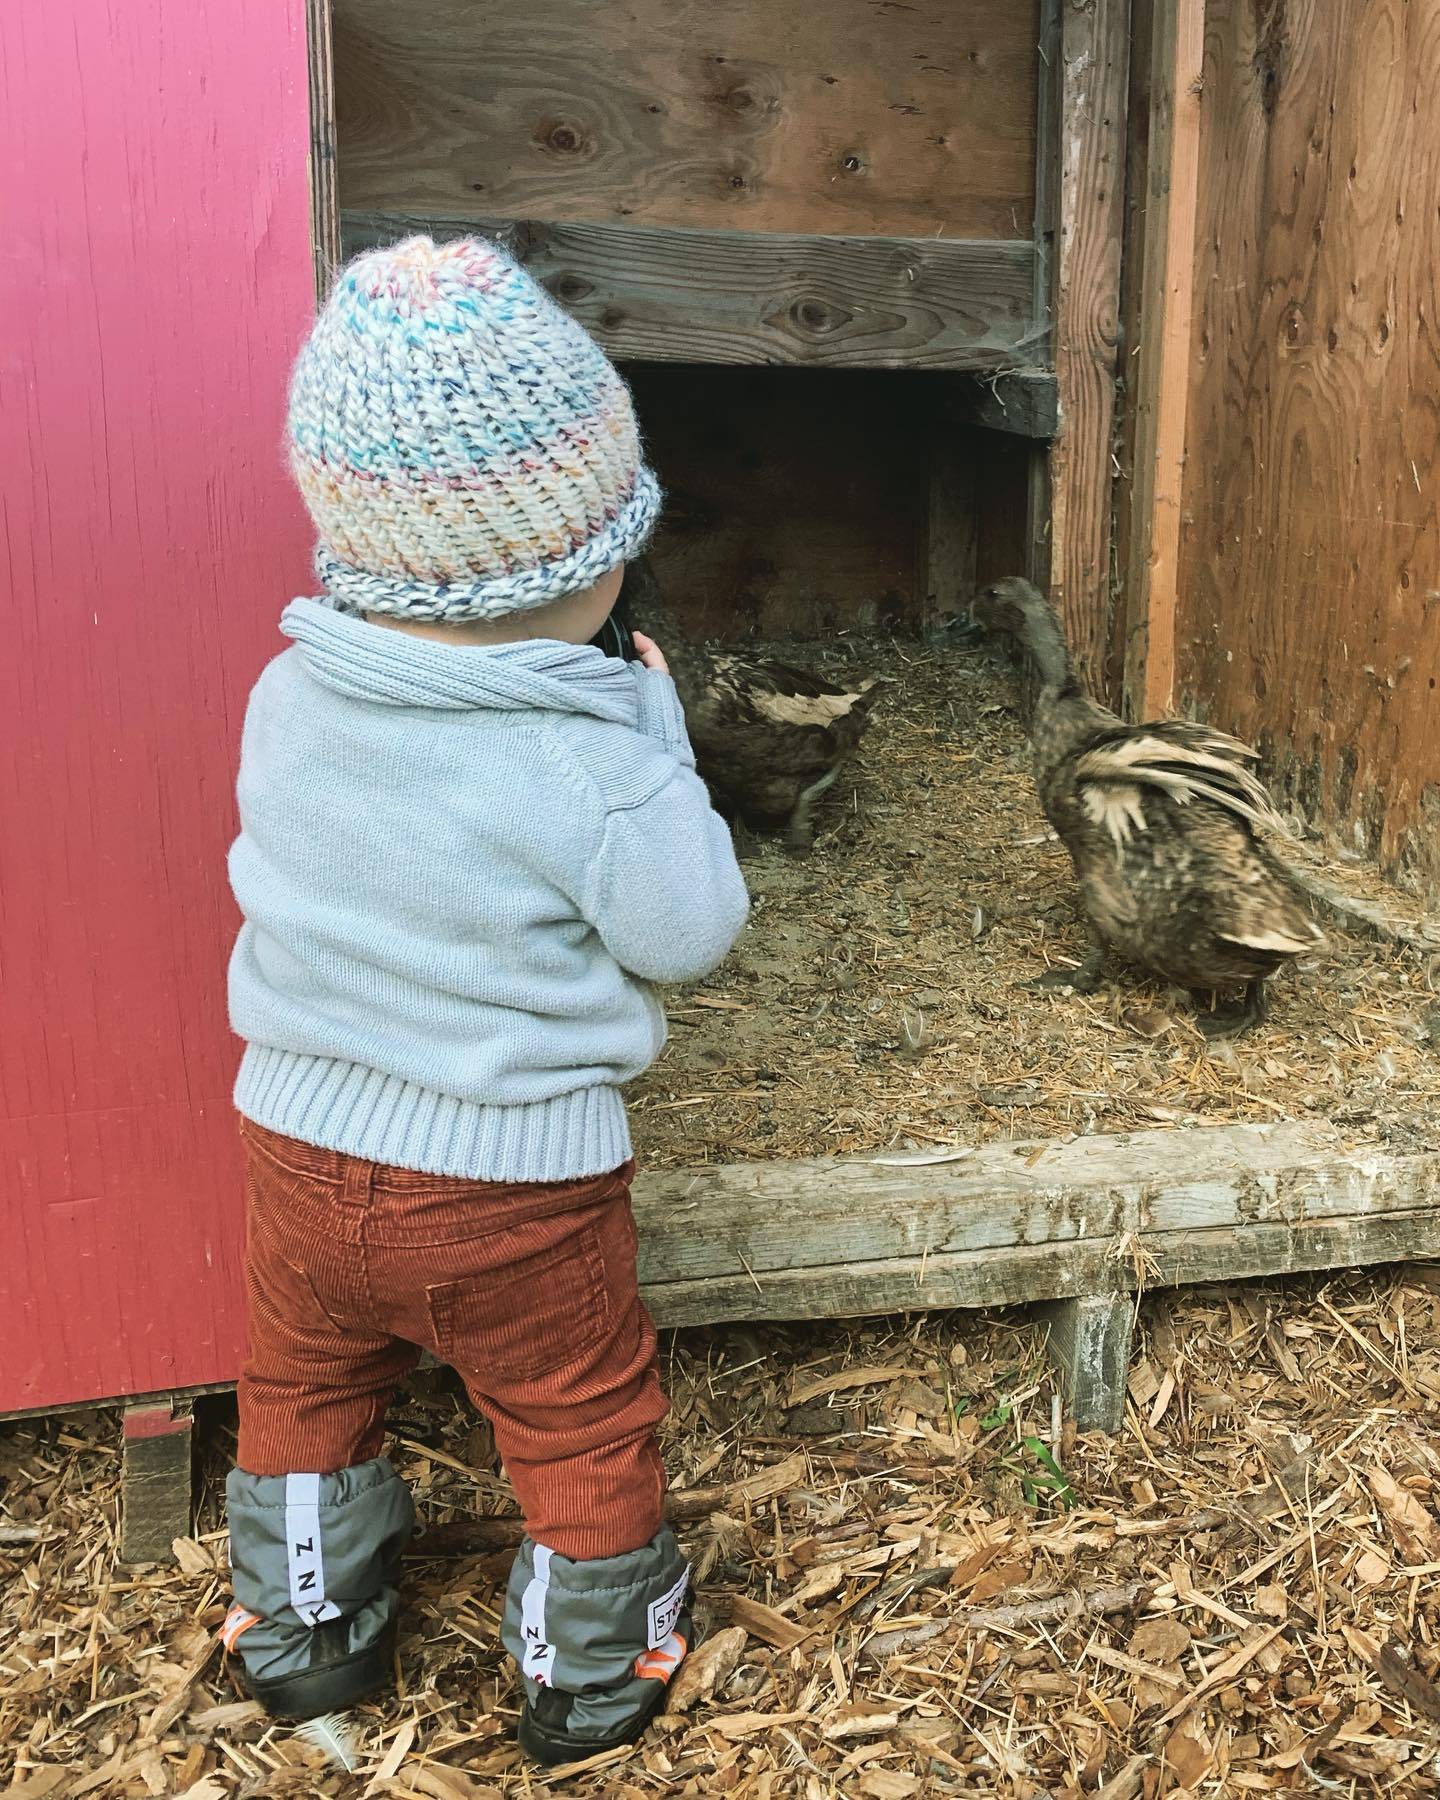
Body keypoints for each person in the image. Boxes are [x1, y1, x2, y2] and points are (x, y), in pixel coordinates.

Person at [220, 235, 750, 1765]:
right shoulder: (585, 746)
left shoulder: (288, 694)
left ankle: (303, 1625)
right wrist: (651, 725)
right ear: (583, 565)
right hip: (513, 1181)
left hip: (298, 1145)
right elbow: (691, 929)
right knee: (579, 1413)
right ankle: (588, 1672)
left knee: (305, 1380)